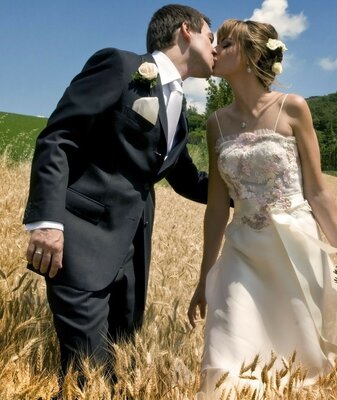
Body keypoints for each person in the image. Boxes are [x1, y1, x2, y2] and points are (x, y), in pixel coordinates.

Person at [23, 4, 216, 385]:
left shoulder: (181, 110)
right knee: (86, 374)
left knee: (119, 369)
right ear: (187, 31)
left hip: (133, 254)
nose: (216, 48)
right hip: (80, 241)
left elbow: (186, 179)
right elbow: (58, 138)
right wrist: (46, 222)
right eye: (212, 37)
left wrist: (250, 194)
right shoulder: (120, 66)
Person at [186, 19, 337, 397]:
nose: (214, 50)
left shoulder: (293, 109)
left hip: (295, 253)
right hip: (240, 254)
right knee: (224, 359)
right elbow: (215, 208)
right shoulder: (215, 125)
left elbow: (318, 193)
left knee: (299, 367)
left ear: (251, 55)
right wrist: (204, 278)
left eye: (225, 44)